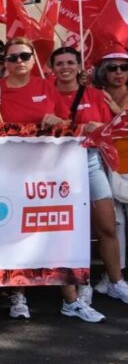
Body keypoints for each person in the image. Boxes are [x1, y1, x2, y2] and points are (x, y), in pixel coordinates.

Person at [0, 40, 103, 322]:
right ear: (5, 62)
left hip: (47, 172)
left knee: (57, 230)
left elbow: (63, 124)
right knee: (14, 233)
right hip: (9, 172)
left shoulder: (45, 86)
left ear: (32, 59)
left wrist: (54, 120)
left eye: (25, 56)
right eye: (12, 57)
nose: (19, 61)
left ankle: (71, 301)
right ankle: (18, 294)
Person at [51, 48, 128, 307]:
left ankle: (116, 282)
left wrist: (100, 128)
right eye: (60, 63)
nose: (65, 67)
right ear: (52, 68)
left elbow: (113, 131)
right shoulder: (47, 94)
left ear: (79, 66)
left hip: (91, 162)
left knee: (107, 226)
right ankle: (80, 283)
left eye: (70, 62)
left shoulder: (96, 95)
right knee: (71, 229)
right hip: (57, 168)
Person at [95, 52, 128, 292]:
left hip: (126, 156)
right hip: (105, 158)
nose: (118, 72)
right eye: (112, 68)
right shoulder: (96, 95)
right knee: (114, 220)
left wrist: (118, 111)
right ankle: (115, 273)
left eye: (124, 67)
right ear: (103, 72)